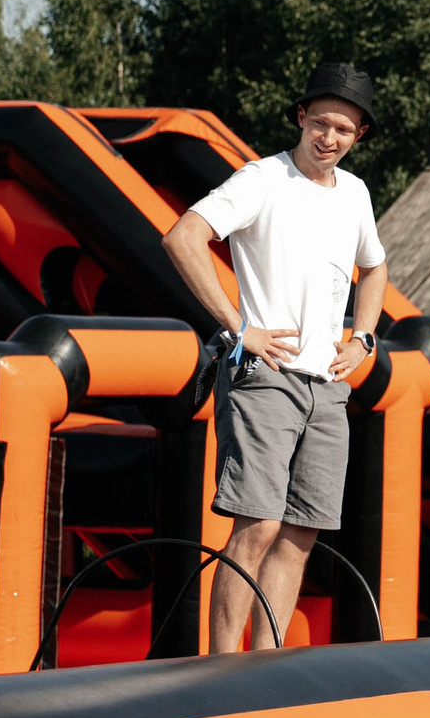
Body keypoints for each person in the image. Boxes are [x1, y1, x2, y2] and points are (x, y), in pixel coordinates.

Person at [163, 63, 389, 653]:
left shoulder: (357, 194)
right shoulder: (263, 178)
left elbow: (376, 266)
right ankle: (219, 670)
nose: (329, 137)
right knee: (257, 525)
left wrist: (363, 338)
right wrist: (240, 328)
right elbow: (182, 236)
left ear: (359, 135)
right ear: (300, 117)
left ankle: (267, 669)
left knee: (301, 533)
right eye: (320, 123)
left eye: (344, 129)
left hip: (327, 386)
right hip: (267, 377)